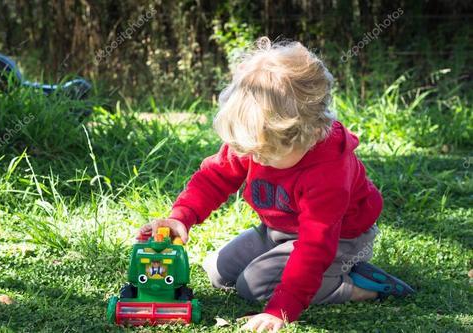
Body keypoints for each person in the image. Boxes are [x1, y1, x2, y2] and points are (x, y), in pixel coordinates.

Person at [139, 37, 414, 332]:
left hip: (340, 238)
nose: (255, 158)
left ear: (305, 136)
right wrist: (182, 216)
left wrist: (281, 309)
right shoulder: (259, 138)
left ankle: (357, 285)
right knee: (218, 271)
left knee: (253, 286)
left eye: (264, 154)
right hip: (279, 230)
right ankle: (307, 269)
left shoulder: (327, 172)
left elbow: (314, 247)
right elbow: (215, 177)